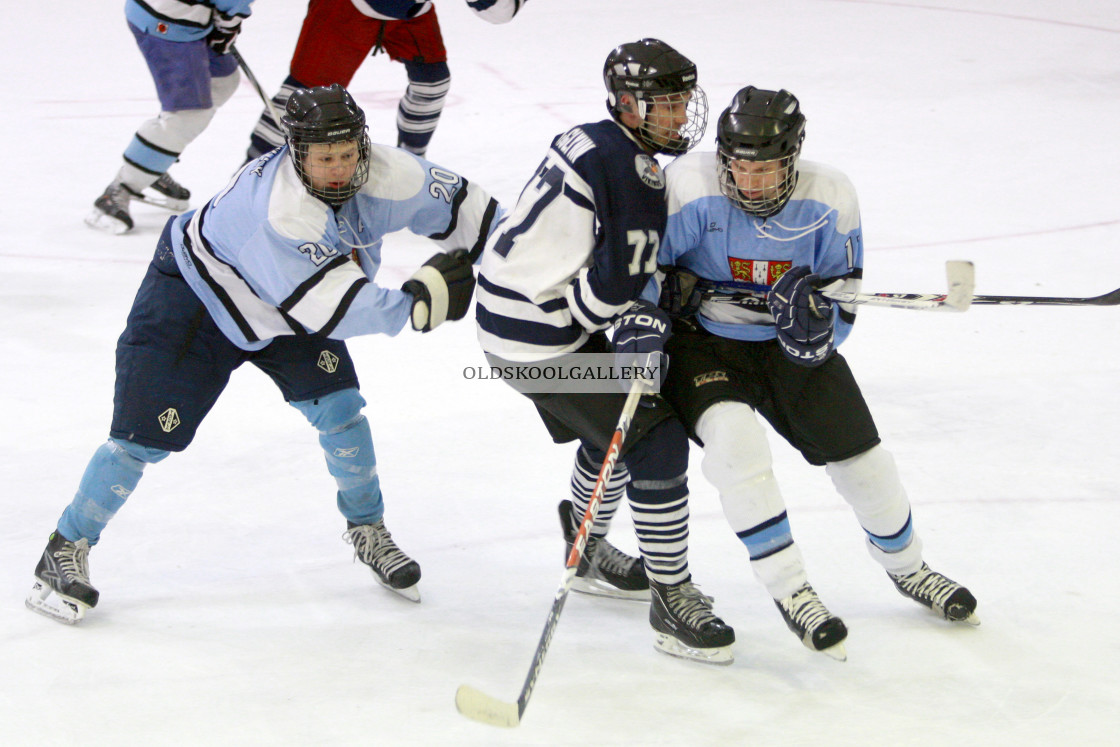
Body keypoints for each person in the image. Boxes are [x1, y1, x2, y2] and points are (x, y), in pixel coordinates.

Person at [28, 84, 501, 625]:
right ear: (296, 153)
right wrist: (413, 306)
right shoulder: (280, 212)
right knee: (141, 438)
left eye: (349, 153)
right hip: (198, 301)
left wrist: (528, 265)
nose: (341, 168)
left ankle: (368, 530)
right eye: (326, 158)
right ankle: (64, 546)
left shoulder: (383, 171)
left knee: (341, 409)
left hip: (295, 301)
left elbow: (474, 211)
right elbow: (334, 310)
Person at [646, 86, 979, 661]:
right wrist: (659, 305)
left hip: (782, 347)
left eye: (766, 168)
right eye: (739, 166)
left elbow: (842, 303)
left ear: (792, 158)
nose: (750, 182)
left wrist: (816, 331)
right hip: (704, 345)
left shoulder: (831, 197)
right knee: (737, 445)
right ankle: (792, 590)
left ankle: (909, 567)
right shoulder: (690, 184)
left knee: (865, 462)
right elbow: (648, 273)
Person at [475, 38, 737, 665]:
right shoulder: (639, 175)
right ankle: (672, 599)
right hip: (539, 341)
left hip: (508, 312)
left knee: (609, 423)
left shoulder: (589, 137)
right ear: (626, 104)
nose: (677, 119)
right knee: (654, 434)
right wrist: (640, 319)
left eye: (680, 104)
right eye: (663, 106)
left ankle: (586, 543)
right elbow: (606, 298)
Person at [244, 0, 527, 162]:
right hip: (347, 7)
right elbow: (499, 11)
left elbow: (499, 12)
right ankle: (250, 172)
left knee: (432, 84)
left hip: (408, 11)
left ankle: (412, 163)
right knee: (305, 96)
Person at [87, 1, 255, 235]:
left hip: (186, 19)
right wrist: (228, 22)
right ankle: (120, 188)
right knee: (188, 115)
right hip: (169, 22)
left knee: (223, 81)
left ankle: (153, 161)